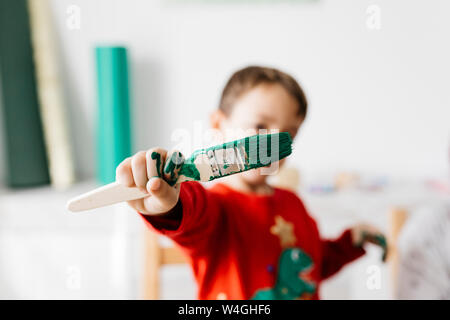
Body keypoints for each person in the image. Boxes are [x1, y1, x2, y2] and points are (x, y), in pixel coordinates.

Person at [116, 66, 387, 299]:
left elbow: (311, 263)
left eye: (288, 135)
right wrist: (169, 202)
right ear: (218, 124)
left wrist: (348, 242)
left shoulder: (293, 203)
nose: (273, 142)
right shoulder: (215, 208)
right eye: (259, 127)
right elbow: (191, 212)